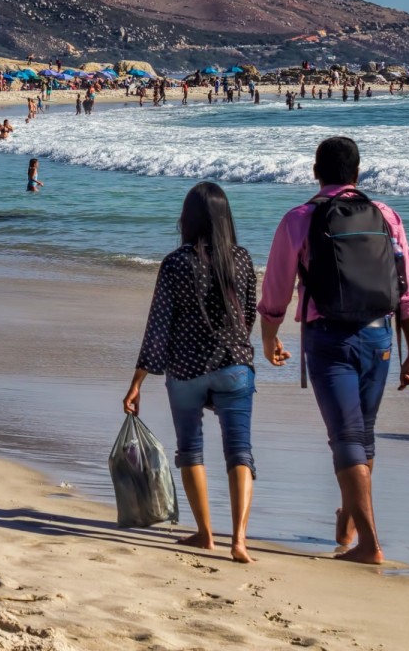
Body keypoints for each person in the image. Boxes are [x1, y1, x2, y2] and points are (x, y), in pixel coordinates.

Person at [259, 136, 409, 565]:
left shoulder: (300, 218)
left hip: (329, 338)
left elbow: (277, 288)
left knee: (346, 437)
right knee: (363, 434)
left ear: (316, 171)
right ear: (357, 173)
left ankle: (369, 544)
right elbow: (408, 290)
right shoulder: (386, 215)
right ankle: (351, 519)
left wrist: (269, 335)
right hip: (380, 336)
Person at [123, 182, 259, 563]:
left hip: (185, 370)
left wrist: (137, 382)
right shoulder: (243, 259)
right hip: (235, 367)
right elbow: (248, 313)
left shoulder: (175, 263)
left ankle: (204, 534)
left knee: (191, 450)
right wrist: (234, 350)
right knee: (241, 451)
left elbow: (158, 326)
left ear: (188, 219)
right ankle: (240, 541)